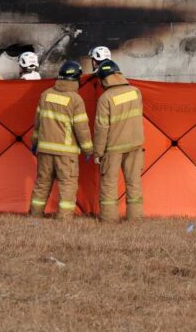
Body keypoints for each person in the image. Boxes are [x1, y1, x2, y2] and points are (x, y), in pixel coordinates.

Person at [29, 61, 92, 220]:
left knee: (42, 184)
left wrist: (35, 143)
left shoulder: (46, 95)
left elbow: (37, 123)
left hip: (44, 150)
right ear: (77, 78)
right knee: (67, 185)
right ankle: (64, 219)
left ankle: (35, 216)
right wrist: (88, 149)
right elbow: (81, 128)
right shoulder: (75, 99)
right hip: (66, 153)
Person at [93, 59, 145, 222]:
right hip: (135, 145)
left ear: (103, 79)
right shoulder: (135, 92)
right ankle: (135, 218)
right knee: (134, 183)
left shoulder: (105, 98)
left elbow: (101, 128)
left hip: (113, 147)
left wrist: (98, 152)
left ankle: (109, 220)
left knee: (109, 184)